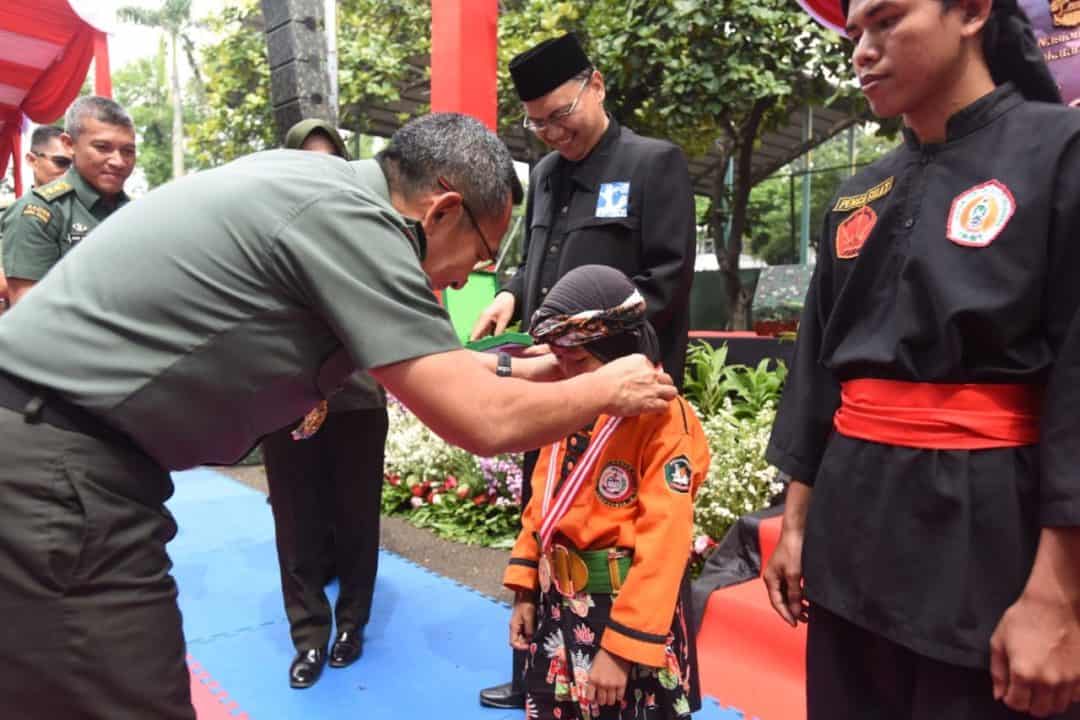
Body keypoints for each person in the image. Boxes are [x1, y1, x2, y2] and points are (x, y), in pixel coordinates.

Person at [0, 112, 675, 720]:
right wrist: (609, 388)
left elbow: (446, 367)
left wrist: (545, 369)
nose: (471, 276)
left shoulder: (323, 192)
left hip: (47, 454)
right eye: (481, 251)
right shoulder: (358, 224)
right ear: (442, 212)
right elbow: (480, 420)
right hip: (57, 473)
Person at [763, 1, 1080, 718]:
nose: (861, 52)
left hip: (989, 547)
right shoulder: (856, 196)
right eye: (853, 35)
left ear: (969, 11)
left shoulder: (1062, 152)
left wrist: (1060, 594)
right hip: (849, 540)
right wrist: (796, 522)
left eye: (886, 22)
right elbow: (818, 372)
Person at [474, 32, 697, 710]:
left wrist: (578, 345)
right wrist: (514, 292)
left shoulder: (653, 163)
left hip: (623, 393)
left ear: (595, 85)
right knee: (546, 520)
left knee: (636, 536)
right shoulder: (544, 174)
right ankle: (536, 672)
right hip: (554, 384)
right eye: (536, 122)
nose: (550, 132)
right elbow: (541, 260)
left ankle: (644, 671)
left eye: (560, 114)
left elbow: (664, 285)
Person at [503, 265, 709, 720]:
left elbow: (665, 540)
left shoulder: (660, 416)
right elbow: (542, 502)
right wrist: (525, 590)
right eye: (559, 362)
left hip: (622, 615)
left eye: (578, 362)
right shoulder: (572, 401)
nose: (567, 374)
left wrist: (621, 649)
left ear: (618, 349)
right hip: (560, 608)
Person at [262, 117, 391, 689]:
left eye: (331, 159)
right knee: (296, 521)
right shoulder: (263, 229)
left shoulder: (368, 227)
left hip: (358, 398)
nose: (321, 171)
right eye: (307, 159)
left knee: (357, 517)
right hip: (285, 399)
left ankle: (352, 625)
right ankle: (309, 635)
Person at [2, 96, 135, 306]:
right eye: (102, 147)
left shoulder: (135, 214)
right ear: (69, 144)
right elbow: (30, 311)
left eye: (128, 151)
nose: (118, 161)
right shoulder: (38, 212)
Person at [0, 125, 73, 311]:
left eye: (75, 165)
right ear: (32, 161)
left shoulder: (85, 209)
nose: (70, 173)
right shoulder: (23, 212)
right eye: (61, 162)